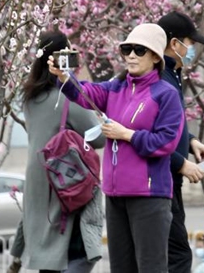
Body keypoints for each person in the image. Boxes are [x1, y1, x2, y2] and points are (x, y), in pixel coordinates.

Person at [48, 23, 183, 273]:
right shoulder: (116, 87)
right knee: (120, 268)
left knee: (151, 268)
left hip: (149, 196)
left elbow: (166, 142)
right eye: (127, 49)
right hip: (115, 194)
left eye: (139, 50)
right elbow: (85, 93)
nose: (131, 55)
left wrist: (127, 135)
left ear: (155, 56)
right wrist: (65, 77)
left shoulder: (166, 94)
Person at [10, 31, 105, 273]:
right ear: (62, 58)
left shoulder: (31, 97)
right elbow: (100, 137)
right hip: (64, 187)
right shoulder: (69, 99)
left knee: (47, 261)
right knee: (70, 255)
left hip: (37, 185)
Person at [158, 11, 204, 273]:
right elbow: (149, 136)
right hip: (161, 181)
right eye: (190, 43)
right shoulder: (159, 79)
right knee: (177, 256)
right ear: (174, 44)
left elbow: (171, 126)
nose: (192, 49)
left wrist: (190, 141)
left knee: (173, 254)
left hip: (169, 181)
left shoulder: (173, 76)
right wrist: (181, 164)